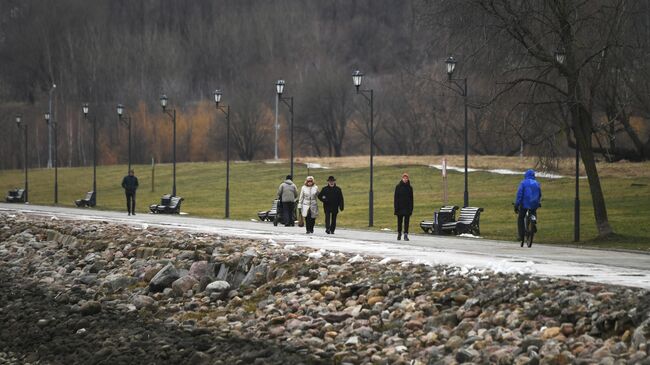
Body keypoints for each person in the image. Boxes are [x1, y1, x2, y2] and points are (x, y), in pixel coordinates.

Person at [514, 169, 542, 242]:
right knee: (533, 212)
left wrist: (516, 204)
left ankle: (521, 235)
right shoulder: (537, 183)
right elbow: (539, 194)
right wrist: (538, 202)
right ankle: (533, 223)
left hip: (525, 203)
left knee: (521, 217)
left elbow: (519, 194)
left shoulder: (523, 183)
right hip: (534, 203)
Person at [394, 172, 414, 241]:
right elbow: (396, 198)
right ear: (402, 178)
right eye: (404, 178)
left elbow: (411, 199)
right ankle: (399, 233)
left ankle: (406, 234)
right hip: (399, 208)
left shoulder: (410, 188)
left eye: (406, 178)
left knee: (406, 222)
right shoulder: (398, 187)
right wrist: (396, 208)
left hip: (407, 208)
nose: (405, 179)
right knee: (399, 222)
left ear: (408, 179)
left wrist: (411, 208)